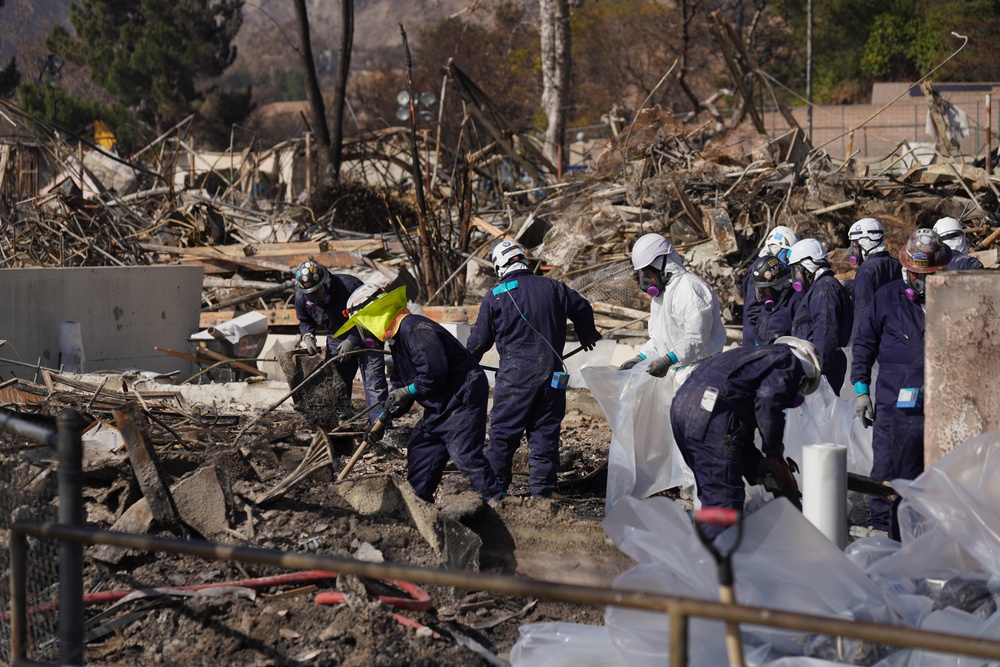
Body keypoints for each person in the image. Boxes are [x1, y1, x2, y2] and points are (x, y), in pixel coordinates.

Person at [334, 283, 504, 503]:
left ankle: (499, 504)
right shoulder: (397, 339)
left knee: (465, 455)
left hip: (461, 397)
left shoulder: (413, 327)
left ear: (372, 316)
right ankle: (419, 502)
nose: (363, 331)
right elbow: (402, 382)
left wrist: (409, 390)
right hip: (440, 403)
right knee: (423, 445)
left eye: (362, 324)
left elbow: (433, 372)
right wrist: (385, 418)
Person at [467, 240, 602, 498]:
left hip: (514, 381)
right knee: (544, 438)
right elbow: (582, 307)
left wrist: (464, 364)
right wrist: (587, 335)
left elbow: (479, 342)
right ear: (522, 259)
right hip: (552, 377)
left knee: (503, 438)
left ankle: (495, 495)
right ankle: (542, 497)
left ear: (499, 266)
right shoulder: (554, 287)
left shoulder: (495, 296)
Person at [851, 228, 951, 538]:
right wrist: (861, 390)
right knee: (887, 470)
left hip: (938, 404)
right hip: (894, 405)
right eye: (919, 274)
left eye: (931, 274)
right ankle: (883, 532)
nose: (924, 281)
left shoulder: (951, 299)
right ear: (906, 269)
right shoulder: (886, 298)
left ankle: (927, 533)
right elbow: (864, 345)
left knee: (932, 471)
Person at [669, 337, 822, 539]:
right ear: (806, 375)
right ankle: (719, 563)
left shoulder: (752, 359)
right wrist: (773, 452)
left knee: (711, 491)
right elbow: (768, 399)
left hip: (684, 408)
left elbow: (739, 435)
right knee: (724, 499)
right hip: (712, 414)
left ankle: (706, 555)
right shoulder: (788, 361)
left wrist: (757, 467)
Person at [619, 233, 726, 382]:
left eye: (648, 273)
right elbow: (659, 340)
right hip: (677, 371)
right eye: (642, 273)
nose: (644, 280)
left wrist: (668, 360)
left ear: (662, 266)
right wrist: (639, 358)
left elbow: (696, 336)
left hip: (701, 372)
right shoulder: (661, 296)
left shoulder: (690, 289)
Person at [292, 260, 388, 423]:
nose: (314, 298)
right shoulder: (302, 298)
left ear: (326, 283)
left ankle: (380, 425)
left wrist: (352, 340)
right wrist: (307, 336)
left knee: (373, 381)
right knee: (337, 379)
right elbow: (305, 321)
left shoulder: (349, 286)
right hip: (336, 335)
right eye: (309, 294)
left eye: (317, 292)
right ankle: (343, 416)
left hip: (367, 333)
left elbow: (368, 315)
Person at [787, 238, 853, 394]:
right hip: (817, 364)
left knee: (820, 417)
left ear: (807, 267)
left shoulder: (824, 288)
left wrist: (817, 371)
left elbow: (825, 332)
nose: (794, 277)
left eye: (795, 270)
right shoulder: (820, 288)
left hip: (822, 368)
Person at [742, 226, 799, 346]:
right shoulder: (759, 271)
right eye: (785, 255)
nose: (787, 260)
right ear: (775, 249)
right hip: (755, 342)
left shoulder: (773, 271)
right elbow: (753, 311)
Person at [847, 217, 901, 342]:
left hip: (874, 339)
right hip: (895, 335)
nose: (854, 250)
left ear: (864, 243)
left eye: (855, 245)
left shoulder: (866, 270)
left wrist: (857, 345)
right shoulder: (897, 264)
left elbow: (862, 310)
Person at [747, 254, 798, 345]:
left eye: (763, 289)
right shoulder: (767, 307)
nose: (761, 294)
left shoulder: (795, 303)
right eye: (759, 289)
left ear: (776, 286)